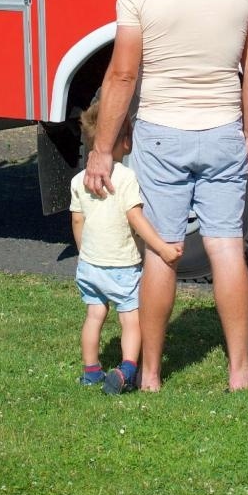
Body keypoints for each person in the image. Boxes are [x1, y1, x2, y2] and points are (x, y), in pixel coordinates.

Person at [83, 0, 248, 392]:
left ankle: (150, 375)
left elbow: (121, 76)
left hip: (162, 134)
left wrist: (102, 149)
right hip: (224, 129)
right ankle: (239, 372)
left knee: (163, 249)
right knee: (227, 246)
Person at [70, 95, 183, 394]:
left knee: (94, 316)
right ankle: (128, 369)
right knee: (131, 320)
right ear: (126, 141)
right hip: (121, 266)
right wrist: (161, 247)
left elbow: (78, 221)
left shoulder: (80, 179)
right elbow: (136, 217)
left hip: (89, 265)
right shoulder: (127, 177)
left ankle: (91, 371)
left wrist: (85, 254)